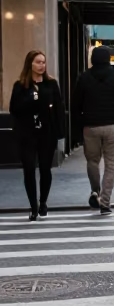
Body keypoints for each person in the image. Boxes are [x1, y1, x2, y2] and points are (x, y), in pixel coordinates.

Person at [70, 45, 114, 215]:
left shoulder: (84, 78)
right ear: (109, 58)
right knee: (111, 164)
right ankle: (105, 202)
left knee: (92, 161)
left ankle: (95, 191)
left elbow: (75, 104)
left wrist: (79, 125)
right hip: (113, 125)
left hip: (91, 126)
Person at [9, 50, 63, 221]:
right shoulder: (20, 85)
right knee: (29, 170)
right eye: (38, 62)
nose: (42, 65)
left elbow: (59, 109)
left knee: (46, 169)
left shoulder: (51, 84)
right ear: (30, 64)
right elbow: (14, 108)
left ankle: (44, 202)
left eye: (43, 62)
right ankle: (33, 206)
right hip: (27, 134)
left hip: (47, 133)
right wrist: (31, 99)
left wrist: (59, 131)